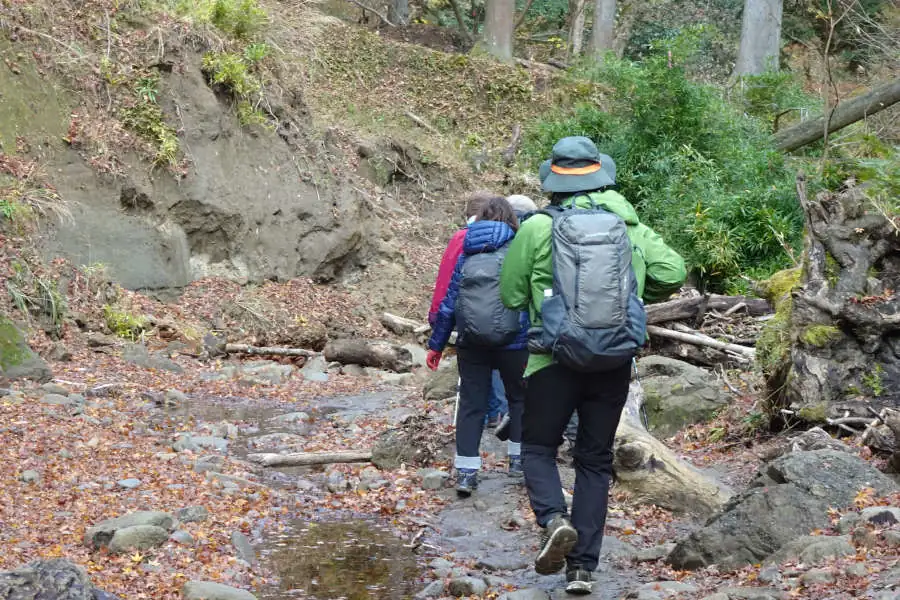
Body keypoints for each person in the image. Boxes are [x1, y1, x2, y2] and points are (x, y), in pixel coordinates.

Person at [500, 137, 686, 595]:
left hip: (552, 358)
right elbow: (673, 272)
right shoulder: (628, 226)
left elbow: (508, 295)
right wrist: (633, 299)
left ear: (554, 178)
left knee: (539, 448)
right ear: (601, 173)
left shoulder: (538, 227)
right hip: (614, 359)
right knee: (595, 462)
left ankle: (552, 519)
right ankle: (581, 569)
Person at [427, 197, 530, 496]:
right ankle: (517, 461)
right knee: (520, 401)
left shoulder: (467, 253)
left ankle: (467, 473)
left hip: (471, 341)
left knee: (472, 405)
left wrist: (436, 345)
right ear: (512, 220)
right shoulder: (519, 250)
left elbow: (449, 304)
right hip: (515, 341)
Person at [428, 191, 508, 429]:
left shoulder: (462, 237)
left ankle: (488, 414)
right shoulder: (512, 238)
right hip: (505, 317)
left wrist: (437, 321)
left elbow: (446, 280)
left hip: (468, 315)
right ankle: (500, 413)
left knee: (477, 365)